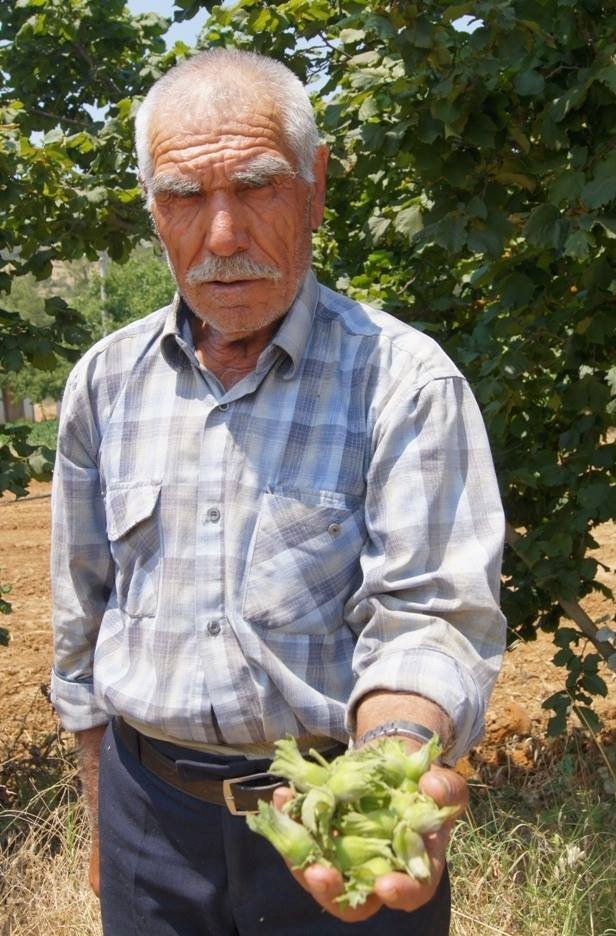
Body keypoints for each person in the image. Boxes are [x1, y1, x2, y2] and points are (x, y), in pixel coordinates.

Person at [50, 48, 506, 935]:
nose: (222, 238)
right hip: (150, 819)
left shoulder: (405, 382)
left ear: (315, 185)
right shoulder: (105, 384)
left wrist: (388, 765)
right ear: (153, 212)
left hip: (331, 819)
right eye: (183, 196)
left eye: (256, 187)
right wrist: (99, 811)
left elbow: (432, 618)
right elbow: (83, 619)